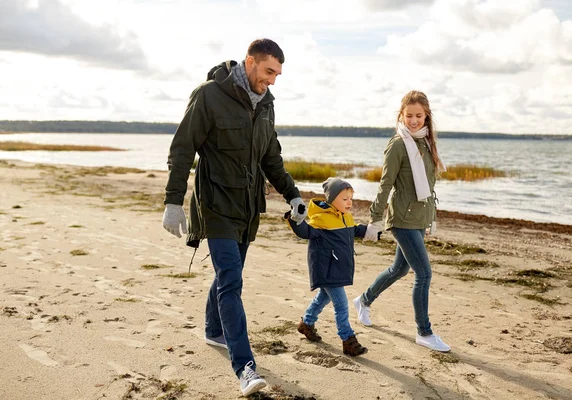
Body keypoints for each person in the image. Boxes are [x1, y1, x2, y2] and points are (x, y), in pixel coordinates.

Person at [162, 38, 308, 397]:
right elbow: (182, 148)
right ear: (250, 62)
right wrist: (172, 201)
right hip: (215, 205)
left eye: (278, 73)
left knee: (232, 275)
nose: (273, 80)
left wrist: (292, 195)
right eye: (269, 71)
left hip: (247, 208)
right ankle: (245, 367)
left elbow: (271, 157)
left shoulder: (267, 105)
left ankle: (214, 330)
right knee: (231, 280)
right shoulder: (209, 95)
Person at [354, 90, 451, 352]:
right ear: (402, 115)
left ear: (427, 116)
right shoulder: (398, 144)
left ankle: (363, 300)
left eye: (419, 115)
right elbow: (386, 184)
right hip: (401, 220)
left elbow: (428, 186)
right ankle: (424, 332)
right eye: (409, 116)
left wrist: (430, 217)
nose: (414, 120)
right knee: (424, 273)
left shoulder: (426, 143)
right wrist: (374, 219)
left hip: (419, 218)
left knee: (400, 269)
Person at [285, 178, 369, 357]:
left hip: (337, 267)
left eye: (350, 198)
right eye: (344, 199)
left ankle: (306, 323)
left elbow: (352, 230)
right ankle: (348, 340)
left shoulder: (345, 217)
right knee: (341, 304)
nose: (349, 203)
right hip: (327, 268)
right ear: (332, 200)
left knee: (323, 298)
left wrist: (367, 230)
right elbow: (305, 232)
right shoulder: (321, 219)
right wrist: (295, 219)